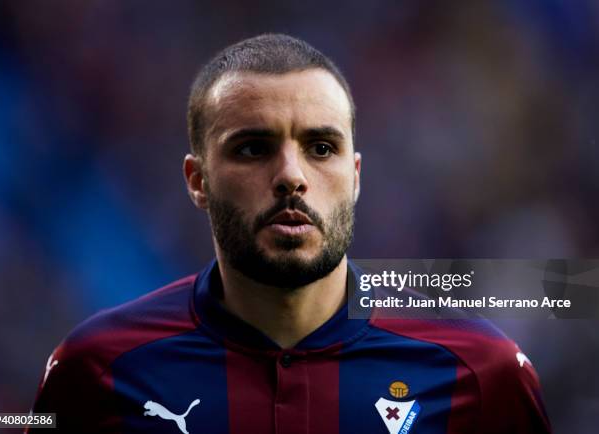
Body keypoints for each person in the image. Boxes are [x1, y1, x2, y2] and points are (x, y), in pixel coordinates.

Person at [28, 34, 551, 434]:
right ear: (198, 181)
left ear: (356, 175)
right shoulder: (95, 370)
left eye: (321, 147)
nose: (292, 176)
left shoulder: (483, 371)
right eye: (253, 148)